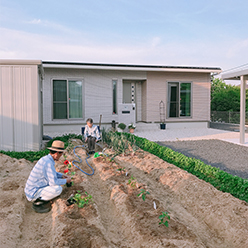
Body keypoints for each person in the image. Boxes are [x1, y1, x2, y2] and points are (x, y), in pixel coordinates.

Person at [24, 140, 71, 213]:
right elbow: (53, 182)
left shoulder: (46, 159)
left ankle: (41, 197)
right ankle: (39, 201)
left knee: (57, 186)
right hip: (33, 193)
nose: (61, 156)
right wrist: (66, 181)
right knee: (58, 189)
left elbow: (52, 173)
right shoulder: (48, 163)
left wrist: (62, 175)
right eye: (61, 154)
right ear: (56, 153)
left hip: (32, 189)